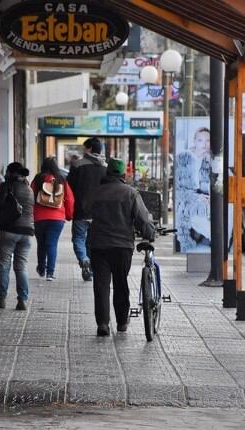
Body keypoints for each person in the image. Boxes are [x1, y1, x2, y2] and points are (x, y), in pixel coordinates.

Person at [89, 158, 156, 337]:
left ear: (108, 173)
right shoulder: (131, 193)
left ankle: (102, 323)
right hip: (121, 246)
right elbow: (143, 219)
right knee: (120, 283)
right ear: (123, 175)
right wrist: (149, 235)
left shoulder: (96, 192)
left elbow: (87, 210)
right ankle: (121, 322)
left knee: (101, 284)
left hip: (98, 244)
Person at [0, 162, 34, 311]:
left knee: (4, 264)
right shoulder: (29, 188)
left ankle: (1, 299)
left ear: (10, 172)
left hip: (9, 230)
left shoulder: (7, 186)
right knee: (21, 267)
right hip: (27, 232)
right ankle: (22, 300)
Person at [67, 137, 107, 281]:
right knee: (92, 242)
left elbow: (69, 188)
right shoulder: (105, 167)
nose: (83, 150)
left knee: (78, 238)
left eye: (85, 147)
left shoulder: (77, 165)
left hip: (81, 210)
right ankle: (90, 271)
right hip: (99, 213)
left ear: (89, 148)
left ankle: (84, 260)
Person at [31, 157, 74, 281]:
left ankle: (41, 268)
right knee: (52, 244)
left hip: (39, 217)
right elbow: (70, 199)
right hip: (57, 219)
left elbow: (30, 196)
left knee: (41, 244)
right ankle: (50, 273)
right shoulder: (61, 180)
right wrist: (69, 216)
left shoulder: (38, 179)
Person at [175, 126, 211, 252]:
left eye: (208, 141)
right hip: (187, 206)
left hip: (205, 204)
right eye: (201, 140)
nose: (205, 144)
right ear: (194, 141)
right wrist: (196, 197)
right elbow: (178, 189)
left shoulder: (210, 161)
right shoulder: (184, 158)